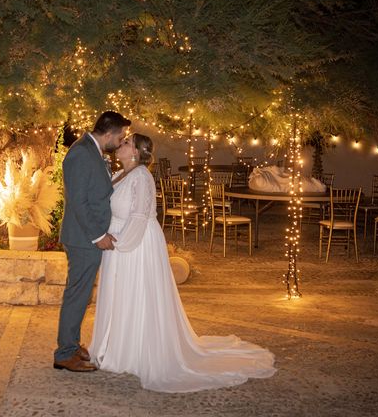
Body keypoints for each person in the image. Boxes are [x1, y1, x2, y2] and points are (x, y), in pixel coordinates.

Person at [89, 133, 277, 392]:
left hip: (135, 242)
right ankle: (119, 345)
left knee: (138, 293)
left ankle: (138, 350)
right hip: (119, 239)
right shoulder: (120, 174)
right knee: (123, 294)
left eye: (126, 143)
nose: (120, 145)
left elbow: (141, 215)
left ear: (136, 152)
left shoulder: (142, 176)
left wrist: (120, 242)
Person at [54, 111, 131, 372]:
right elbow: (78, 201)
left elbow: (96, 193)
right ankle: (64, 353)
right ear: (108, 133)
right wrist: (97, 236)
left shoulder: (92, 151)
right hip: (83, 239)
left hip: (86, 238)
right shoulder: (80, 153)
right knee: (77, 295)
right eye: (120, 136)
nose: (121, 142)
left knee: (81, 294)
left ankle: (71, 345)